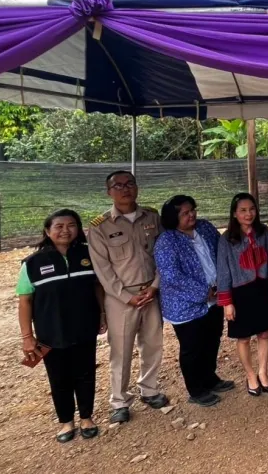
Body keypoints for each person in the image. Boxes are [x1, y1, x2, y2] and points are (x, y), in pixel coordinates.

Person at [16, 209, 106, 442]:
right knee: (59, 379)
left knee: (86, 374)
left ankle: (86, 417)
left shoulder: (89, 254)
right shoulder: (32, 263)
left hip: (84, 328)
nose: (66, 230)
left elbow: (97, 286)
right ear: (48, 231)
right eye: (59, 226)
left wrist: (102, 314)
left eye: (71, 225)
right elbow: (25, 301)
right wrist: (27, 337)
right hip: (50, 332)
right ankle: (66, 422)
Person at [88, 171, 169, 424]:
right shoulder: (100, 226)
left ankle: (149, 389)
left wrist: (155, 287)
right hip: (120, 298)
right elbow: (103, 269)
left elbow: (163, 254)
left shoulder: (152, 217)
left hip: (151, 291)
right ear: (109, 192)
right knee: (121, 351)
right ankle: (119, 401)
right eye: (118, 186)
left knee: (153, 344)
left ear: (137, 187)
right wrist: (126, 296)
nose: (125, 189)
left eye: (130, 184)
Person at [154, 195, 234, 407]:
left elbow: (222, 251)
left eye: (192, 210)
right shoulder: (167, 241)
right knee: (192, 347)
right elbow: (171, 275)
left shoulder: (205, 227)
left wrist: (223, 284)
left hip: (215, 297)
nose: (192, 215)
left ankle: (209, 378)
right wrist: (203, 291)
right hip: (185, 305)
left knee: (212, 339)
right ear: (173, 218)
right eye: (185, 213)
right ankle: (196, 389)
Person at [217, 193, 268, 396]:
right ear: (234, 214)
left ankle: (263, 372)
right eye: (243, 210)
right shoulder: (226, 239)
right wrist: (227, 302)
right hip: (240, 292)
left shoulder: (264, 232)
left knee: (264, 333)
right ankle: (250, 375)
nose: (248, 214)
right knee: (244, 337)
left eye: (252, 209)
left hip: (262, 288)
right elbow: (223, 271)